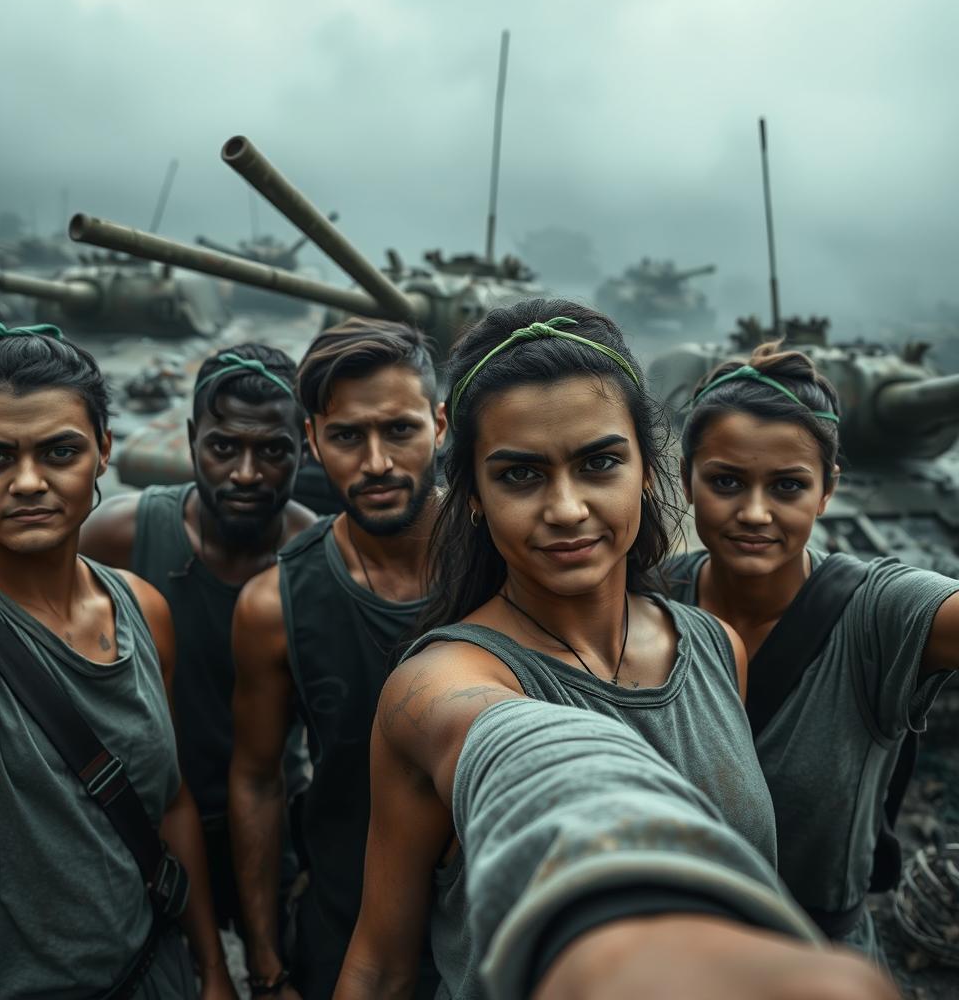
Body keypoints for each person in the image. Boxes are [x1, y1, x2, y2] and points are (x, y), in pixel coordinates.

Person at [335, 300, 779, 1000]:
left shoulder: (717, 647)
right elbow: (381, 966)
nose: (567, 508)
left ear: (645, 466)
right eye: (520, 474)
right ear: (474, 495)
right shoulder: (435, 683)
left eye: (599, 462)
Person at [0, 323, 235, 998]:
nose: (29, 482)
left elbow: (170, 801)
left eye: (60, 450)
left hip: (154, 972)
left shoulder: (141, 607)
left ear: (104, 450)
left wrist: (212, 967)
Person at [664, 342, 959, 957]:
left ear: (827, 491)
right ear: (687, 479)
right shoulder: (652, 599)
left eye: (788, 486)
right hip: (667, 952)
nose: (753, 513)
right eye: (725, 481)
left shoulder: (877, 613)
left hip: (814, 962)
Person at [228, 317, 447, 998]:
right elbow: (258, 781)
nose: (377, 462)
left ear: (440, 424)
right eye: (349, 436)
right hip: (343, 926)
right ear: (313, 442)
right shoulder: (276, 606)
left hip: (498, 929)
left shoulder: (508, 559)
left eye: (400, 430)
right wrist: (265, 967)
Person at [434, 698, 896, 1000]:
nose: (566, 537)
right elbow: (548, 759)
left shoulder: (715, 640)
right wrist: (621, 956)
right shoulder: (443, 681)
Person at [81, 342, 316, 933]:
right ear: (191, 440)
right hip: (146, 822)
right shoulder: (122, 538)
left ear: (304, 446)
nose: (245, 473)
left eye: (272, 450)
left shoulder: (314, 559)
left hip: (273, 821)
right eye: (222, 447)